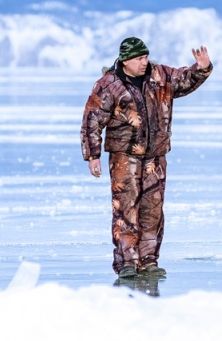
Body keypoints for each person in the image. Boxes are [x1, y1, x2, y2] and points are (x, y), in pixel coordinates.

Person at [81, 37, 213, 278]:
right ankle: (127, 263)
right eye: (139, 59)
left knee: (152, 210)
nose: (144, 62)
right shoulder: (109, 84)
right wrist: (93, 155)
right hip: (124, 157)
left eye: (145, 57)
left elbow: (184, 80)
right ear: (126, 60)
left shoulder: (160, 76)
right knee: (126, 210)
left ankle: (149, 261)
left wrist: (201, 68)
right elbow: (92, 119)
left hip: (155, 156)